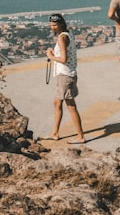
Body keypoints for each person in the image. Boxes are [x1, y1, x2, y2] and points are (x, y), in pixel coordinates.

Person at [43, 13, 86, 143]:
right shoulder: (68, 34)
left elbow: (63, 59)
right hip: (66, 75)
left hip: (65, 75)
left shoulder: (62, 38)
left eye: (55, 25)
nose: (52, 28)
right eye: (51, 25)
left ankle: (80, 136)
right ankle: (55, 133)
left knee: (71, 106)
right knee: (57, 103)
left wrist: (51, 55)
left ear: (61, 24)